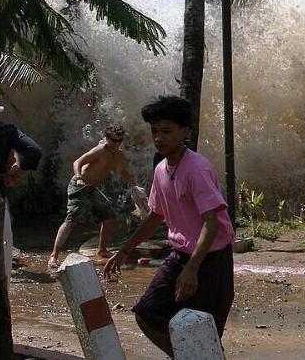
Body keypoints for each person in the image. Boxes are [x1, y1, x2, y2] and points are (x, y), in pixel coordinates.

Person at [103, 96, 235, 357]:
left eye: (166, 131)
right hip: (179, 257)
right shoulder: (162, 169)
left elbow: (211, 223)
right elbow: (155, 217)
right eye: (154, 132)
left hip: (210, 261)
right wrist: (124, 250)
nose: (159, 138)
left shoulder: (197, 169)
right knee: (147, 314)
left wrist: (192, 269)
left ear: (185, 132)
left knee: (203, 331)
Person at [48, 123, 137, 268]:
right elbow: (78, 162)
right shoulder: (100, 150)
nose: (116, 144)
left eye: (119, 140)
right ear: (107, 138)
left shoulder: (118, 154)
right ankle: (54, 255)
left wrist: (135, 186)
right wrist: (78, 177)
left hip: (93, 188)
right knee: (71, 220)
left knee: (109, 217)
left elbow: (123, 171)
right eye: (113, 140)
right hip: (80, 187)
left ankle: (101, 249)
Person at [0, 104, 43, 280]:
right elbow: (34, 151)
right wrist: (16, 175)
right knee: (3, 242)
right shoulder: (6, 132)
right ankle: (2, 286)